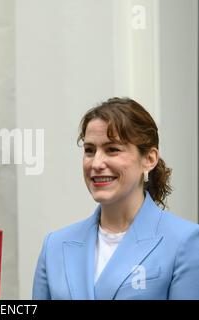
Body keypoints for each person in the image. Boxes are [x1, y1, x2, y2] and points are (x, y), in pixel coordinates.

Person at [33, 97, 199, 300]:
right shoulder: (55, 246)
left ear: (149, 159)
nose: (96, 163)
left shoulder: (186, 241)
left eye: (112, 149)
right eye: (89, 150)